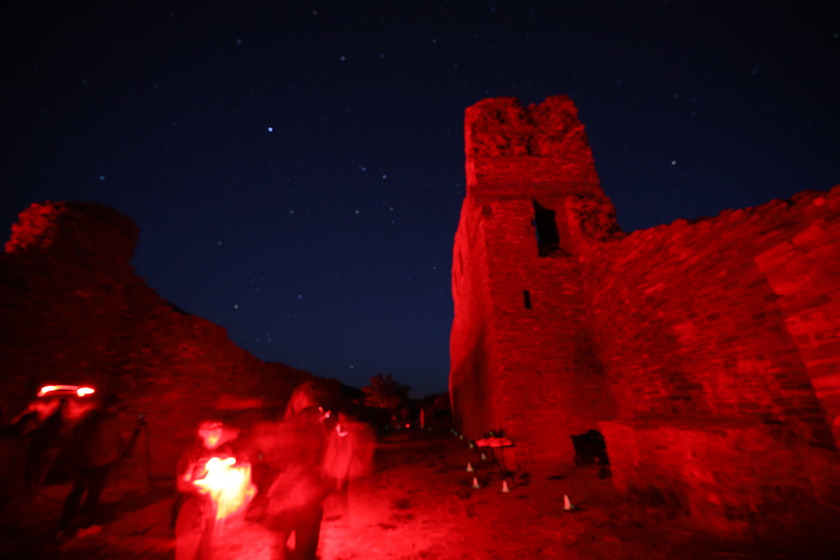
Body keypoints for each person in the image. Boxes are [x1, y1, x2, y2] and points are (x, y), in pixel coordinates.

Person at [259, 381, 331, 560]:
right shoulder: (322, 424)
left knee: (278, 541)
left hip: (291, 491)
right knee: (306, 544)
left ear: (297, 400)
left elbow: (279, 457)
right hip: (313, 492)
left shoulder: (294, 423)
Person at [56, 394, 127, 535]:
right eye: (118, 406)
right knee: (93, 494)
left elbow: (76, 433)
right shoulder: (112, 421)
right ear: (114, 406)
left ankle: (64, 522)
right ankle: (86, 525)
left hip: (84, 461)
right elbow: (120, 439)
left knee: (77, 492)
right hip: (100, 463)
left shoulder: (89, 417)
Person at [174, 417, 236, 560]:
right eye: (213, 427)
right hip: (193, 507)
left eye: (220, 426)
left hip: (214, 507)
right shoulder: (192, 454)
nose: (218, 430)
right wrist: (203, 487)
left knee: (209, 551)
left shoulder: (225, 451)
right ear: (202, 432)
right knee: (187, 551)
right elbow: (182, 484)